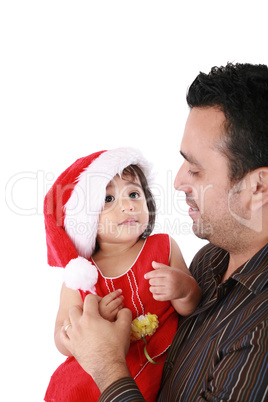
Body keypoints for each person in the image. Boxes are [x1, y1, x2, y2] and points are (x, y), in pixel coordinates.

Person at [60, 62, 268, 401]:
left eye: (196, 170)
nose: (178, 181)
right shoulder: (210, 259)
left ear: (258, 186)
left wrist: (106, 365)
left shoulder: (260, 330)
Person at [44, 147, 201, 401]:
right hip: (91, 382)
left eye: (134, 193)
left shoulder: (164, 247)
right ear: (86, 219)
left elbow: (190, 306)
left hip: (157, 372)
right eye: (108, 199)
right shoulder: (81, 274)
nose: (128, 206)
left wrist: (184, 289)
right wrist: (93, 320)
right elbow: (62, 339)